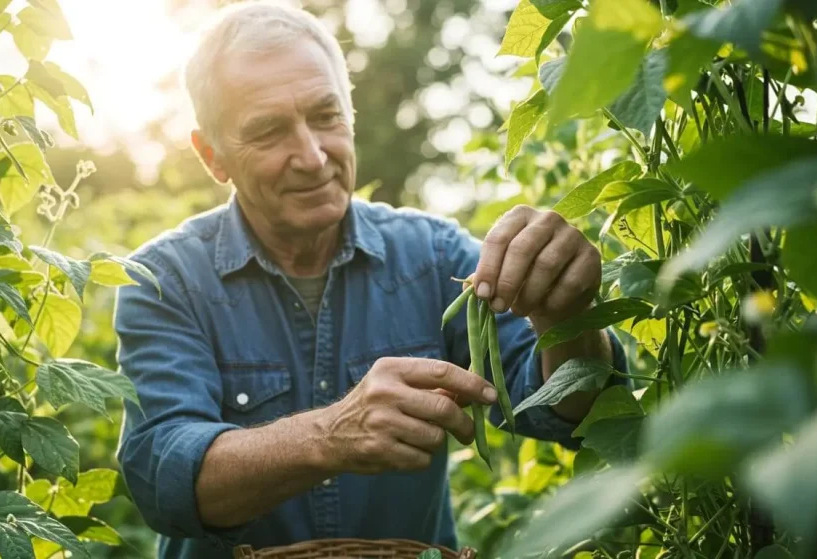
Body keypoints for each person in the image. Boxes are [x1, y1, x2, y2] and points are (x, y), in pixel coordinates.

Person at [113, 1, 628, 557]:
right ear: (213, 157)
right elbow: (163, 479)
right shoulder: (165, 280)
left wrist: (569, 316)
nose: (312, 156)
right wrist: (331, 435)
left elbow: (572, 417)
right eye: (268, 132)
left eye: (326, 116)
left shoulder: (435, 258)